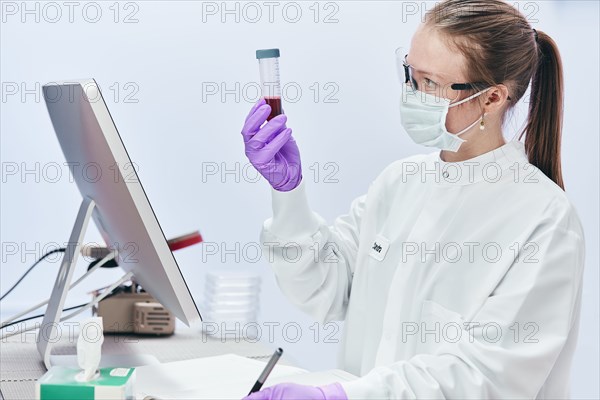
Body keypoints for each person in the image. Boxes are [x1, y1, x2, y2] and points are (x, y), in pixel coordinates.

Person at [240, 0, 585, 398]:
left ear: (492, 98)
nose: (412, 93)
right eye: (410, 73)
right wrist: (289, 197)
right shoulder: (400, 182)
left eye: (430, 83)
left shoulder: (545, 221)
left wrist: (343, 396)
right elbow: (322, 290)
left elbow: (484, 376)